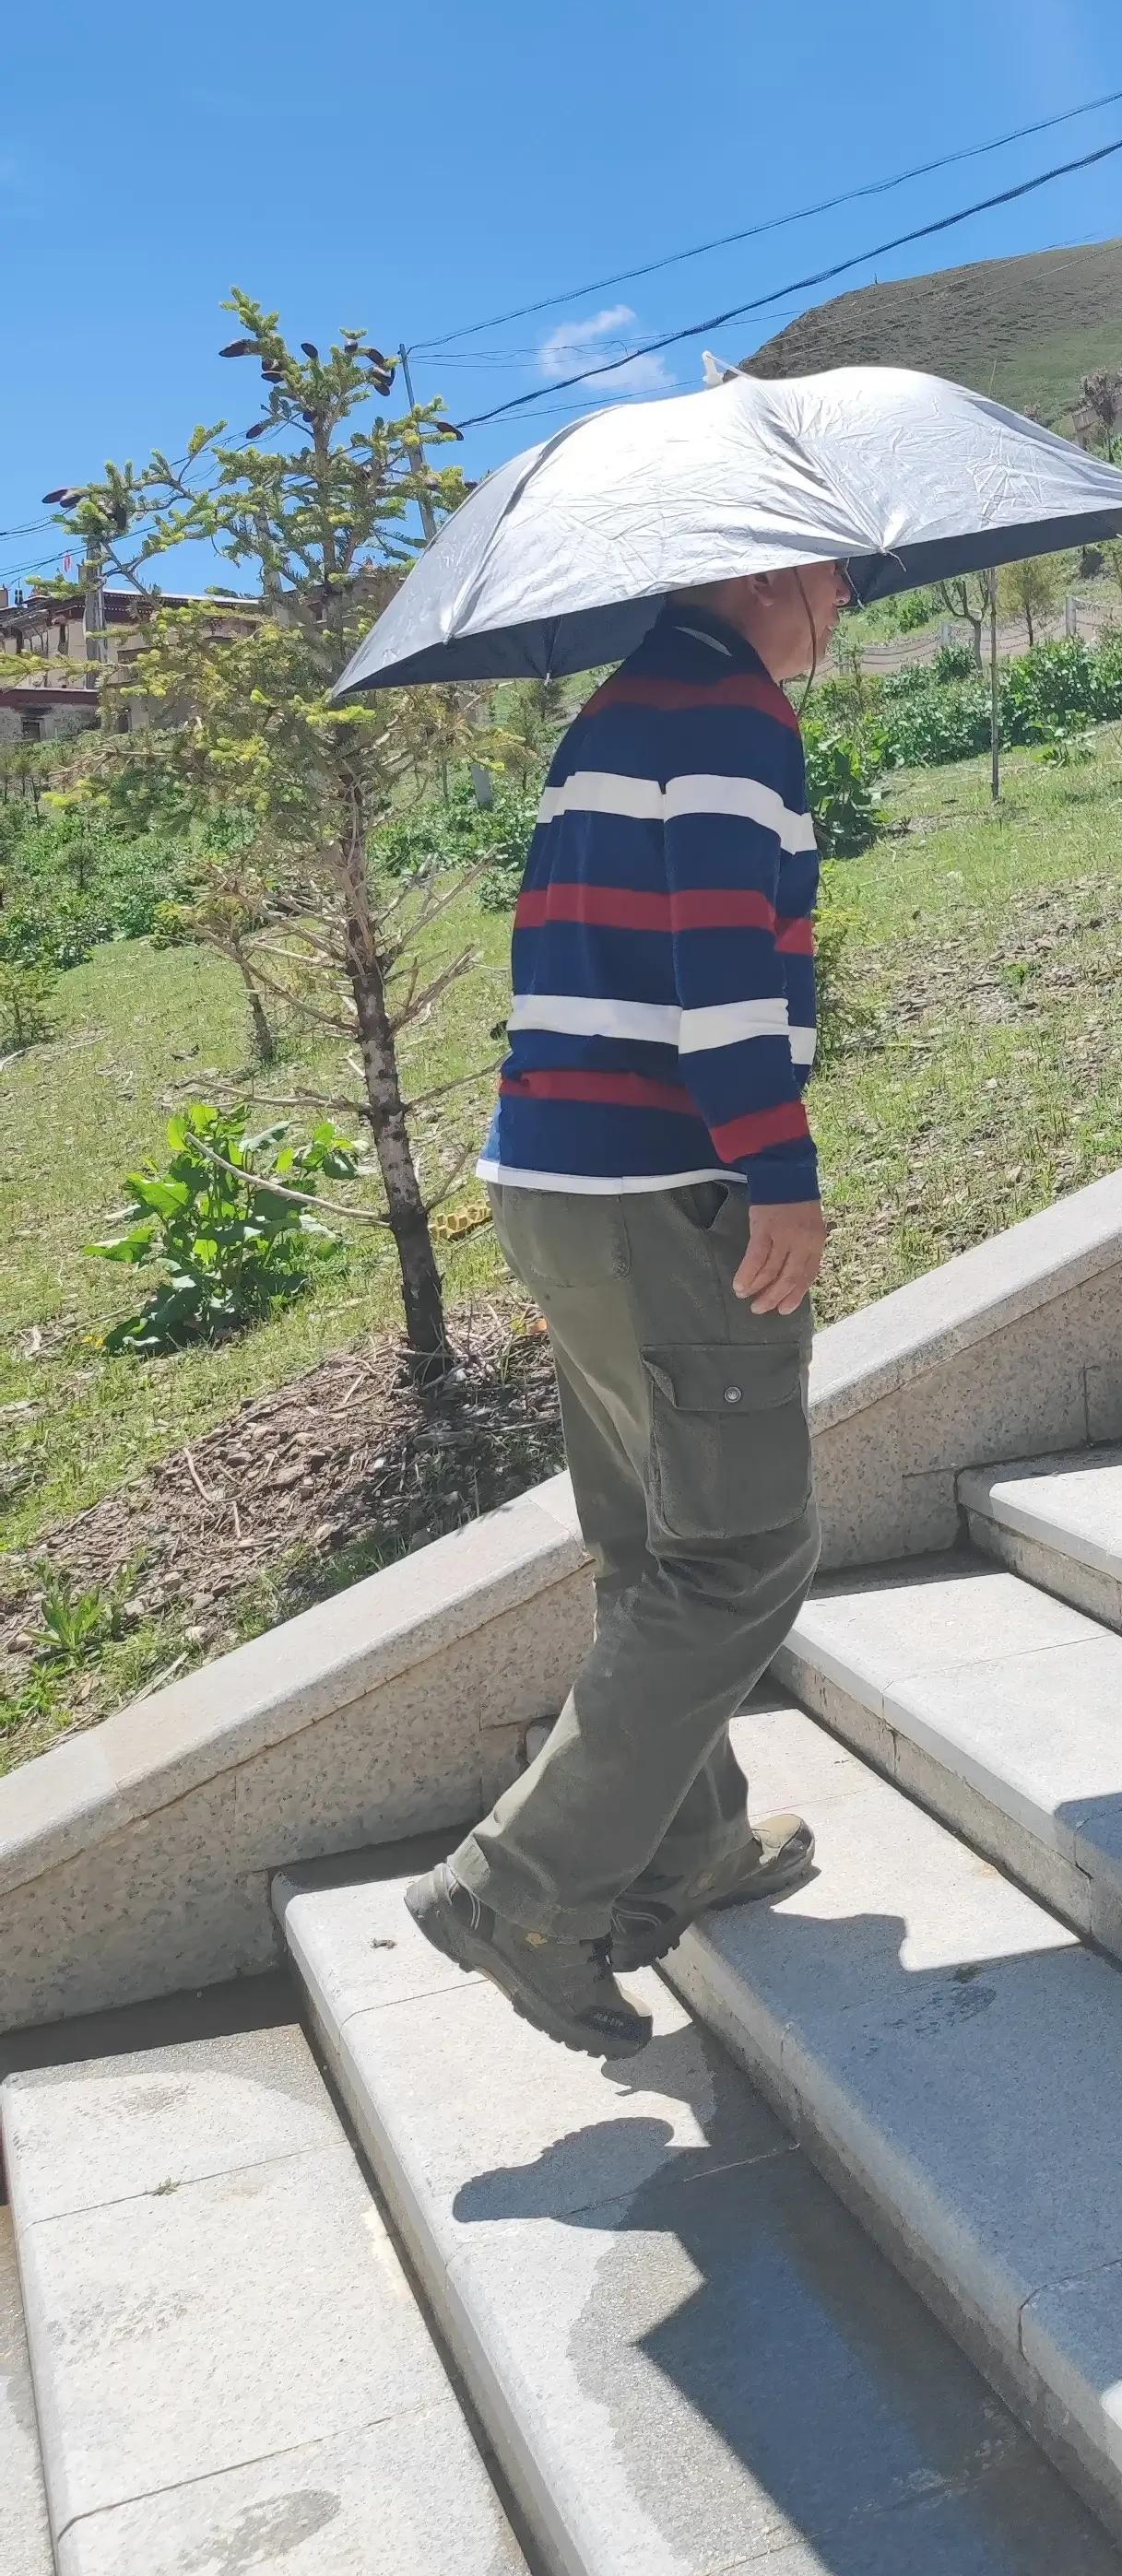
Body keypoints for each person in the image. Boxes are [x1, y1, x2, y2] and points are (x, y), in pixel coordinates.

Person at [406, 557, 847, 2058]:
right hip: (670, 1188)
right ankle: (517, 1889)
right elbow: (721, 979)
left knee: (650, 1544)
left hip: (557, 1180)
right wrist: (776, 1170)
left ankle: (695, 1839)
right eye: (837, 576)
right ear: (774, 576)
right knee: (740, 1553)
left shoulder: (614, 712)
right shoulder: (729, 717)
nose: (843, 606)